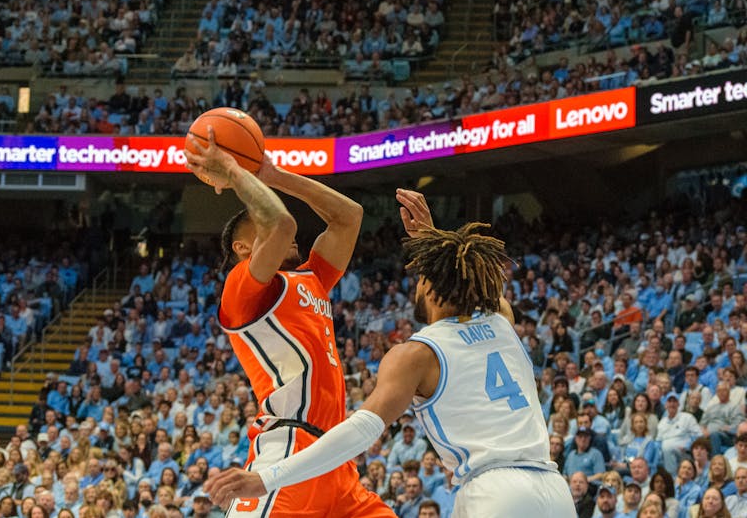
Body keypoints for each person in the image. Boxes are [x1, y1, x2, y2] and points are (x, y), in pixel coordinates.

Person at [205, 189, 575, 516]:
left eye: (422, 275)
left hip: (490, 489)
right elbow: (472, 285)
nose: (416, 278)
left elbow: (364, 429)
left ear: (433, 290)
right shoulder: (501, 321)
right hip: (553, 486)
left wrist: (247, 172)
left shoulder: (417, 353)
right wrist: (433, 243)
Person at [184, 127, 392, 517]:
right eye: (256, 227)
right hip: (286, 449)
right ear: (243, 248)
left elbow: (349, 216)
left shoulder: (312, 279)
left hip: (335, 458)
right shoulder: (241, 290)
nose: (277, 232)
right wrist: (232, 168)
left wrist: (274, 176)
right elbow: (281, 223)